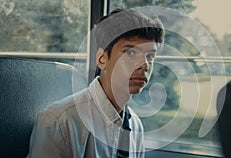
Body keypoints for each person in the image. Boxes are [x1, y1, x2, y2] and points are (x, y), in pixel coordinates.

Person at [27, 8, 164, 158]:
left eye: (150, 56)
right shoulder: (59, 122)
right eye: (130, 53)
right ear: (102, 59)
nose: (144, 65)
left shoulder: (136, 126)